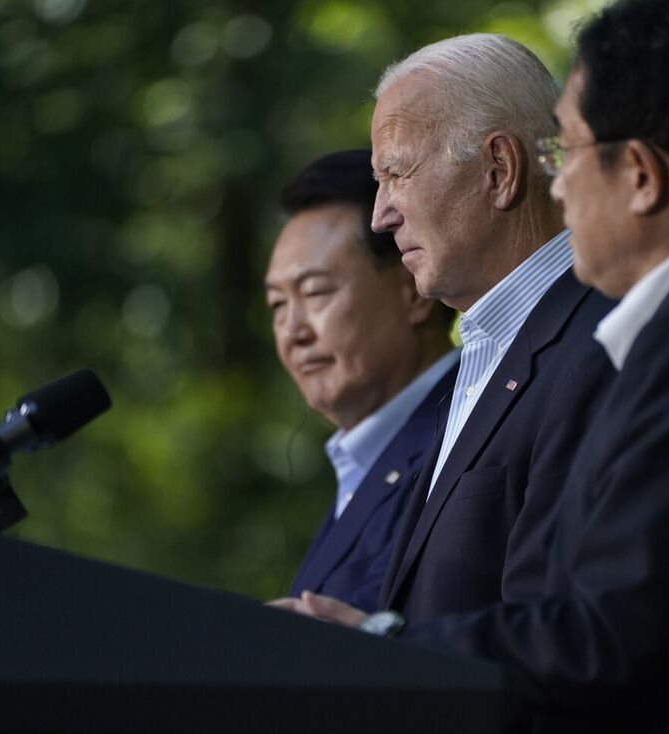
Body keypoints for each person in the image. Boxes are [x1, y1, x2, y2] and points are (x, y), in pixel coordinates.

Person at [285, 2, 669, 731]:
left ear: (641, 176)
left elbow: (614, 633)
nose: (556, 187)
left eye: (570, 155)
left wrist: (376, 645)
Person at [276, 34, 616, 624]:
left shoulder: (605, 343)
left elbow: (584, 626)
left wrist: (381, 650)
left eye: (397, 173)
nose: (381, 216)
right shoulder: (487, 352)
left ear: (499, 169)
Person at [266, 149, 458, 612]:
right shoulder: (360, 462)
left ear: (413, 290)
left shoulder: (471, 430)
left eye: (315, 293)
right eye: (277, 305)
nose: (294, 332)